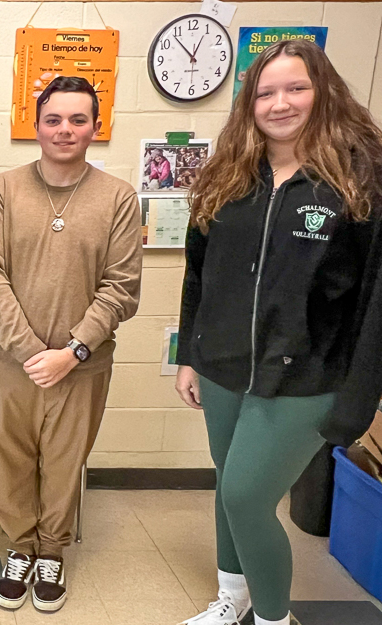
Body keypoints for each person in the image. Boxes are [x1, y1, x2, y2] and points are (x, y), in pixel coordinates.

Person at [175, 40, 382, 625]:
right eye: (265, 92)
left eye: (296, 88)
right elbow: (200, 273)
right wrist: (191, 354)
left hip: (306, 377)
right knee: (228, 487)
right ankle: (231, 600)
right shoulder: (228, 174)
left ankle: (272, 618)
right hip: (222, 366)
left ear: (325, 92)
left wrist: (360, 398)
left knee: (246, 497)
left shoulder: (360, 179)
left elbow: (374, 301)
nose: (280, 103)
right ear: (249, 103)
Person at [0, 75, 142, 613]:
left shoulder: (119, 198)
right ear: (36, 125)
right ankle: (19, 550)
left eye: (77, 119)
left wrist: (71, 352)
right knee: (8, 461)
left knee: (66, 464)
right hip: (8, 362)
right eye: (53, 119)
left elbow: (121, 289)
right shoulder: (3, 191)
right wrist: (29, 351)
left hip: (82, 367)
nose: (64, 129)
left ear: (96, 126)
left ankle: (52, 552)